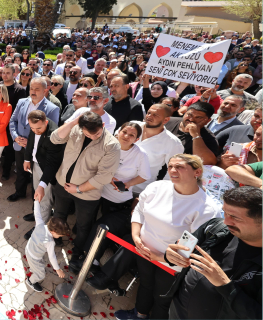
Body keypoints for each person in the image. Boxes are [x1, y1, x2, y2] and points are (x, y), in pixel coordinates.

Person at [94, 155, 223, 320]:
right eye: (170, 166)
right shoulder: (158, 187)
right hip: (144, 249)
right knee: (146, 285)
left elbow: (189, 247)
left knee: (161, 298)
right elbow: (139, 210)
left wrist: (159, 257)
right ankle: (139, 314)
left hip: (171, 265)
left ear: (197, 172)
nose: (172, 170)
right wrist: (136, 235)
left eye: (179, 166)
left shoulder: (206, 208)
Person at [163, 186, 261, 320]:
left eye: (234, 217)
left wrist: (225, 285)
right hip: (178, 312)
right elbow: (182, 248)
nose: (226, 221)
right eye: (224, 212)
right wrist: (170, 255)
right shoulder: (216, 227)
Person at [71, 122, 151, 273]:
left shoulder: (140, 154)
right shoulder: (108, 145)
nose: (126, 136)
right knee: (87, 223)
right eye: (124, 131)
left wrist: (127, 184)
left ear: (137, 139)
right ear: (118, 131)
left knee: (103, 231)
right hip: (95, 191)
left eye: (132, 135)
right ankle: (80, 251)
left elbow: (145, 175)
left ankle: (91, 259)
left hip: (116, 198)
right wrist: (107, 177)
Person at [49, 111, 121, 262]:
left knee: (83, 225)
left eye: (97, 134)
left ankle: (77, 252)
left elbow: (104, 176)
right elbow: (54, 138)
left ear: (103, 125)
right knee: (59, 215)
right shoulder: (75, 129)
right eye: (88, 135)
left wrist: (79, 188)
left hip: (87, 194)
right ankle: (55, 239)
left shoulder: (112, 145)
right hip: (62, 184)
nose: (93, 137)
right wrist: (74, 122)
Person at [7, 78, 60, 202]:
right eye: (31, 88)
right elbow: (13, 121)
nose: (33, 91)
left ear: (45, 90)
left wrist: (31, 142)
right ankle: (19, 192)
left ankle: (35, 204)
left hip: (38, 150)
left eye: (37, 89)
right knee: (20, 171)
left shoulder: (52, 108)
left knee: (36, 177)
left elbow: (51, 133)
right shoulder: (21, 102)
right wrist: (15, 137)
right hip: (19, 145)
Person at [21, 110, 67, 240]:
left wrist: (43, 183)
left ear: (46, 122)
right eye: (32, 128)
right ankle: (38, 215)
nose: (35, 131)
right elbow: (30, 141)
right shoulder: (35, 125)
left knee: (45, 199)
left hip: (47, 168)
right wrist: (27, 159)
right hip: (36, 164)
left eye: (39, 128)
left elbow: (52, 164)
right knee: (38, 193)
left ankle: (39, 227)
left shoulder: (54, 135)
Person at [24, 211, 71, 293]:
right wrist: (58, 269)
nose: (59, 237)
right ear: (53, 232)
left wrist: (36, 201)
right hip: (34, 257)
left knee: (39, 265)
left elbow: (37, 213)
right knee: (40, 274)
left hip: (29, 249)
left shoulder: (41, 225)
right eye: (59, 236)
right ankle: (30, 281)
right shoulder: (50, 242)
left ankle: (34, 269)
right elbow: (52, 257)